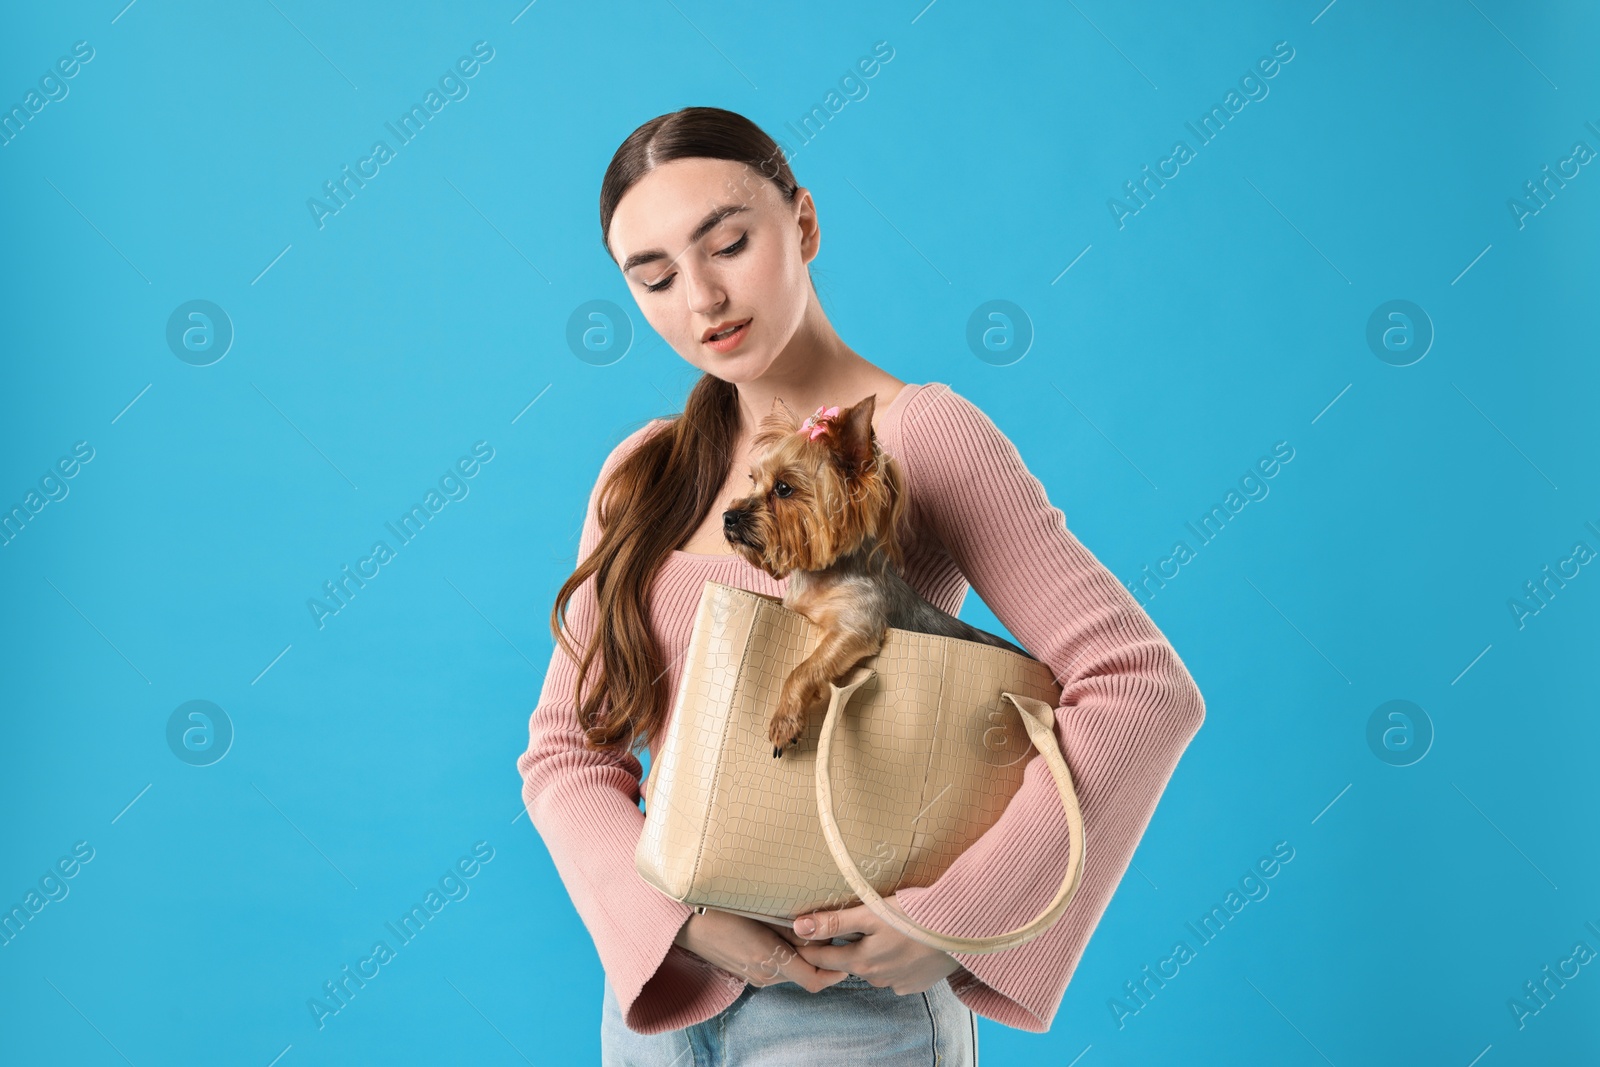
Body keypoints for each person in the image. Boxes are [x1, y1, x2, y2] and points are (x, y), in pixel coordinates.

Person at [516, 106, 1206, 1065]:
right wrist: (670, 921)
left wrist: (955, 917)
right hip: (658, 1006)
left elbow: (1141, 688)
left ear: (802, 223)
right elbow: (564, 755)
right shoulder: (644, 472)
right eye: (657, 276)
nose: (704, 297)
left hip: (849, 1009)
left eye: (729, 243)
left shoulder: (922, 437)